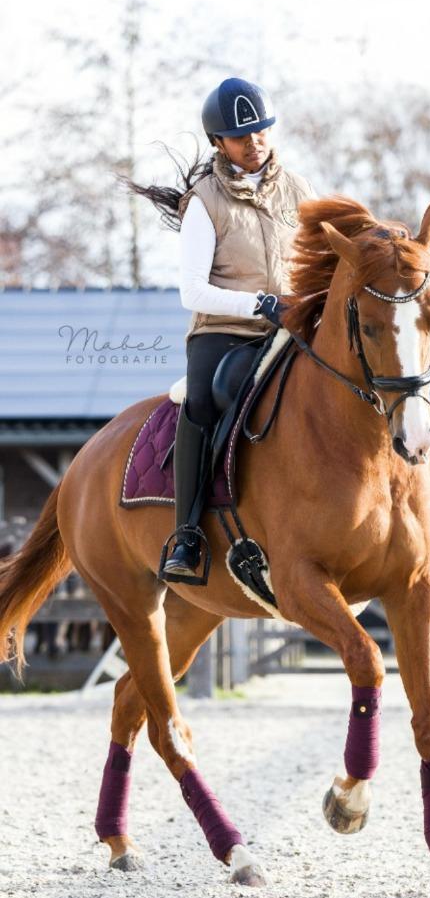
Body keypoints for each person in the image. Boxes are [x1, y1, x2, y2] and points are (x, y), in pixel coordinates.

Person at [129, 77, 315, 582]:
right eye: (240, 135)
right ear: (218, 143)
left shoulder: (299, 191)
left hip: (292, 324)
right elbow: (192, 291)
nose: (254, 142)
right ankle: (187, 533)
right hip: (224, 331)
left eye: (260, 131)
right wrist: (261, 303)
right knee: (204, 401)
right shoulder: (203, 202)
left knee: (369, 374)